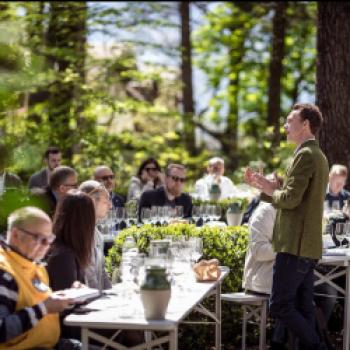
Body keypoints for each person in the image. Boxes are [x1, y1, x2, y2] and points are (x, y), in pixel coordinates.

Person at [244, 103, 329, 349]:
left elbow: (290, 199)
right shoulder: (318, 155)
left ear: (305, 124)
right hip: (307, 247)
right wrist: (266, 189)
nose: (285, 126)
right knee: (304, 309)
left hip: (294, 245)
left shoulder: (305, 155)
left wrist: (271, 189)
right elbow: (294, 198)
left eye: (290, 121)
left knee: (280, 305)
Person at [0, 207, 79, 349]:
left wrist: (70, 298)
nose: (47, 246)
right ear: (16, 235)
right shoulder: (4, 273)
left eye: (49, 240)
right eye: (40, 239)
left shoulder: (35, 265)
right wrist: (45, 308)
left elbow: (39, 307)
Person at [79, 180, 112, 290]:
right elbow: (90, 277)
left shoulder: (96, 232)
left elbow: (102, 273)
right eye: (106, 201)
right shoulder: (81, 233)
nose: (110, 206)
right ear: (92, 201)